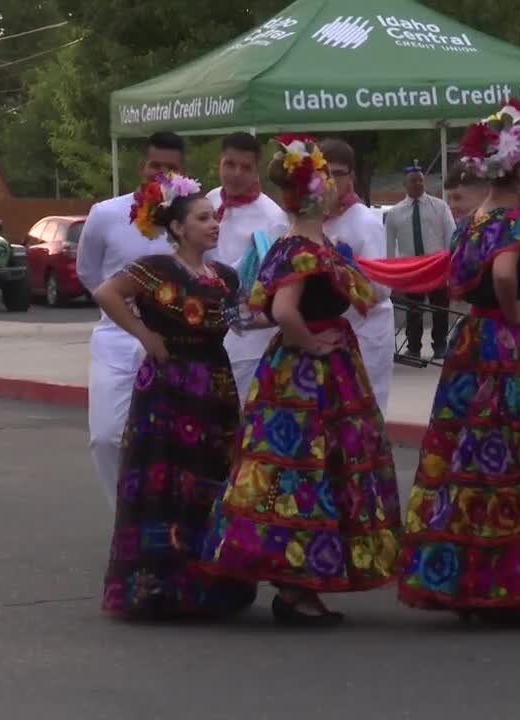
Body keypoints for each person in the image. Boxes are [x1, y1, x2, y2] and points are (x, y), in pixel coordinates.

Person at [200, 134, 401, 627]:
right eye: (327, 179)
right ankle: (296, 588)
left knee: (313, 471)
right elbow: (284, 310)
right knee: (303, 472)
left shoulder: (310, 244)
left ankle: (300, 585)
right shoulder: (299, 248)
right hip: (308, 376)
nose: (334, 187)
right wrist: (311, 342)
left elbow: (271, 310)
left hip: (314, 371)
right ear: (316, 192)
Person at [398, 99, 520, 623]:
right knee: (515, 450)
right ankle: (513, 580)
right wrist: (516, 310)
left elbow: (459, 280)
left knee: (467, 453)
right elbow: (504, 274)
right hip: (508, 343)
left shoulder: (471, 220)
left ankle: (466, 573)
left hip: (471, 341)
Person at [92, 173, 258, 620]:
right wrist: (145, 335)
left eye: (215, 216)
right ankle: (153, 588)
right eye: (203, 218)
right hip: (168, 388)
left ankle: (209, 588)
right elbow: (107, 292)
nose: (214, 223)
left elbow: (243, 319)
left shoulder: (223, 276)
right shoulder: (156, 268)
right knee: (162, 486)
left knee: (209, 483)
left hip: (215, 388)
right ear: (179, 228)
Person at [77, 132, 182, 509]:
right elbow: (89, 273)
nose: (162, 175)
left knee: (171, 444)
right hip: (116, 338)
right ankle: (122, 515)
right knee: (106, 437)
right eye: (156, 166)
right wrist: (122, 315)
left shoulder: (188, 220)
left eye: (171, 169)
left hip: (174, 343)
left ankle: (161, 522)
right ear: (143, 167)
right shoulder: (106, 214)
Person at [207, 132, 290, 405]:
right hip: (205, 333)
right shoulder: (208, 203)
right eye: (229, 164)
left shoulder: (273, 218)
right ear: (219, 163)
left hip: (248, 340)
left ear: (257, 171)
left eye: (245, 168)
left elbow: (276, 286)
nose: (236, 174)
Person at [321, 138, 395, 412]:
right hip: (332, 331)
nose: (330, 181)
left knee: (366, 409)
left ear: (351, 176)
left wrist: (342, 275)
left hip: (366, 331)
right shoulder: (317, 219)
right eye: (323, 173)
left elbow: (381, 288)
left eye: (337, 174)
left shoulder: (363, 221)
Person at [385, 160, 457, 358]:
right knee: (414, 309)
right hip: (411, 268)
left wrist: (451, 266)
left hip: (436, 266)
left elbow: (452, 237)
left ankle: (440, 344)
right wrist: (391, 278)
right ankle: (414, 347)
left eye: (420, 181)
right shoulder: (394, 213)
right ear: (405, 185)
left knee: (440, 307)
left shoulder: (440, 207)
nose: (417, 184)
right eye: (413, 181)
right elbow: (389, 247)